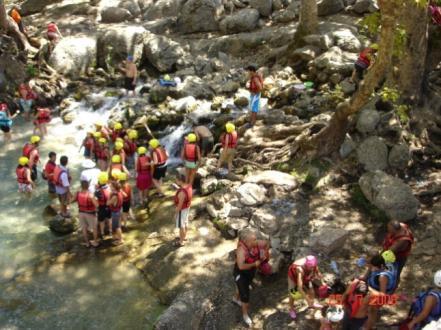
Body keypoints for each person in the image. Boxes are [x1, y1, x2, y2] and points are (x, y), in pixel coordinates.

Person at [232, 229, 260, 327]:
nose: (256, 242)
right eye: (253, 240)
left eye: (255, 239)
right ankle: (245, 315)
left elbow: (264, 244)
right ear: (246, 241)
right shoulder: (241, 250)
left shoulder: (253, 245)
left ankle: (235, 299)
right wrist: (254, 264)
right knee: (245, 297)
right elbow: (241, 266)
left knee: (240, 289)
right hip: (241, 274)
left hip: (249, 273)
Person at [364, 253, 399, 329]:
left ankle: (369, 327)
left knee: (372, 312)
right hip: (374, 293)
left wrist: (368, 288)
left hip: (377, 298)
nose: (372, 269)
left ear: (381, 266)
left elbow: (382, 296)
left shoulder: (382, 277)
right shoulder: (383, 266)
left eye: (374, 267)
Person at [75, 180, 99, 248]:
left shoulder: (78, 193)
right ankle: (95, 242)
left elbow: (72, 200)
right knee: (94, 228)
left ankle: (87, 243)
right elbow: (97, 205)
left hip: (81, 213)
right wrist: (96, 199)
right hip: (90, 214)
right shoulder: (90, 195)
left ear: (81, 186)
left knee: (84, 228)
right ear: (88, 186)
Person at [173, 174, 193, 247]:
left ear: (180, 181)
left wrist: (175, 213)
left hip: (182, 210)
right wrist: (178, 188)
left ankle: (181, 242)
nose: (175, 181)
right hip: (187, 208)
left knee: (181, 225)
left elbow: (180, 205)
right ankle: (184, 236)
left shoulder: (182, 193)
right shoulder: (188, 186)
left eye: (176, 180)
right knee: (185, 222)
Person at [107, 180, 125, 245]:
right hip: (119, 209)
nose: (109, 187)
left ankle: (120, 240)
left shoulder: (114, 196)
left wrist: (109, 195)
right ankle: (118, 237)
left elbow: (108, 203)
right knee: (118, 225)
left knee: (117, 227)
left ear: (114, 187)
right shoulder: (120, 191)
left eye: (111, 186)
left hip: (115, 212)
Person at [95, 172, 111, 238]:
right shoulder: (110, 188)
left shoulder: (97, 191)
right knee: (109, 219)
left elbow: (96, 201)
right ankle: (110, 231)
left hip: (101, 208)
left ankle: (102, 233)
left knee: (101, 221)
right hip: (108, 207)